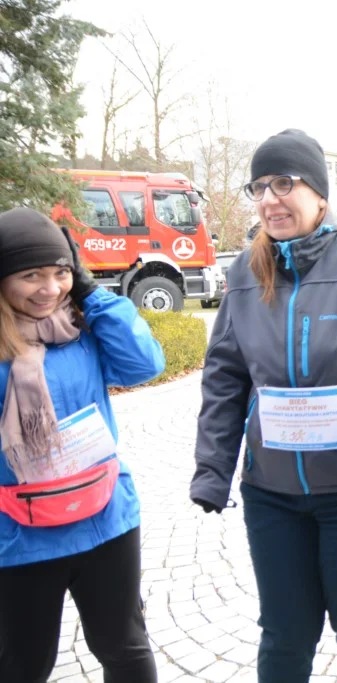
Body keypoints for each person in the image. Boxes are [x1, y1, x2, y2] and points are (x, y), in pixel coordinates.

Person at [190, 129, 337, 683]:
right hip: (271, 497)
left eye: (284, 183)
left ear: (319, 193)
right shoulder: (245, 272)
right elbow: (224, 377)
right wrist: (212, 471)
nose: (270, 198)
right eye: (259, 187)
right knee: (283, 636)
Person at [0, 208, 166, 683]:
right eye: (30, 275)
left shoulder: (81, 328)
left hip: (104, 518)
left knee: (125, 649)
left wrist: (92, 294)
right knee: (23, 664)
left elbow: (143, 364)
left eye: (60, 273)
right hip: (19, 534)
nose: (49, 289)